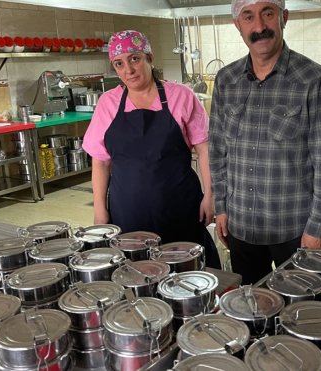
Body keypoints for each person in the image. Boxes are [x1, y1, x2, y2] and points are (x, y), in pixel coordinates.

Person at [209, 0, 321, 284]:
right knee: (251, 310)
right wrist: (221, 207)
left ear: (284, 17)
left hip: (295, 230)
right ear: (238, 25)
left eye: (268, 13)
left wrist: (317, 229)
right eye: (248, 17)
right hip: (241, 227)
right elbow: (218, 152)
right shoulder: (226, 80)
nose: (259, 26)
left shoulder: (314, 79)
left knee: (299, 313)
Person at [83, 30, 219, 268]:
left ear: (149, 57)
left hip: (179, 206)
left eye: (134, 58)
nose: (128, 70)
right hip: (128, 210)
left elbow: (205, 149)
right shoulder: (108, 103)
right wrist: (100, 210)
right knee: (136, 273)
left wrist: (210, 195)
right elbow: (101, 161)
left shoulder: (181, 96)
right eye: (119, 63)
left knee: (186, 271)